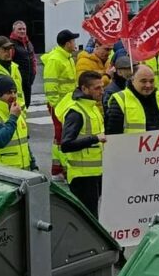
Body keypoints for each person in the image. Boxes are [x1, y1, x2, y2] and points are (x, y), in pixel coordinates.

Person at [57, 71, 107, 217]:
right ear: (84, 89)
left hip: (96, 173)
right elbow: (66, 145)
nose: (102, 91)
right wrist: (95, 139)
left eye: (102, 87)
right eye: (97, 88)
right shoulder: (76, 112)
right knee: (88, 219)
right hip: (82, 177)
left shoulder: (92, 107)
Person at [43, 29, 80, 181]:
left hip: (68, 104)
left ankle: (60, 168)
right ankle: (59, 170)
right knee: (61, 138)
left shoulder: (68, 58)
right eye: (73, 41)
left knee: (64, 136)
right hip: (59, 106)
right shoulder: (55, 60)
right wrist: (56, 106)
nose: (75, 44)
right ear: (67, 44)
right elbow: (50, 86)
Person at [0, 74, 35, 170]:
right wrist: (12, 118)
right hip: (1, 175)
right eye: (8, 92)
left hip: (23, 172)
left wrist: (33, 165)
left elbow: (24, 142)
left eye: (14, 92)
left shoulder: (16, 111)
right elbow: (0, 140)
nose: (13, 96)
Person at [106, 65, 159, 134]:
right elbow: (113, 134)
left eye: (151, 81)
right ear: (132, 80)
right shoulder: (120, 99)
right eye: (143, 81)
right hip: (133, 150)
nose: (148, 85)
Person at [10, 21, 37, 108]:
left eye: (24, 29)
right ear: (14, 30)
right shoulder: (11, 44)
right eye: (19, 29)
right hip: (16, 83)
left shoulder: (29, 43)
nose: (22, 31)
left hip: (28, 82)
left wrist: (34, 73)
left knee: (26, 104)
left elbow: (33, 59)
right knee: (18, 106)